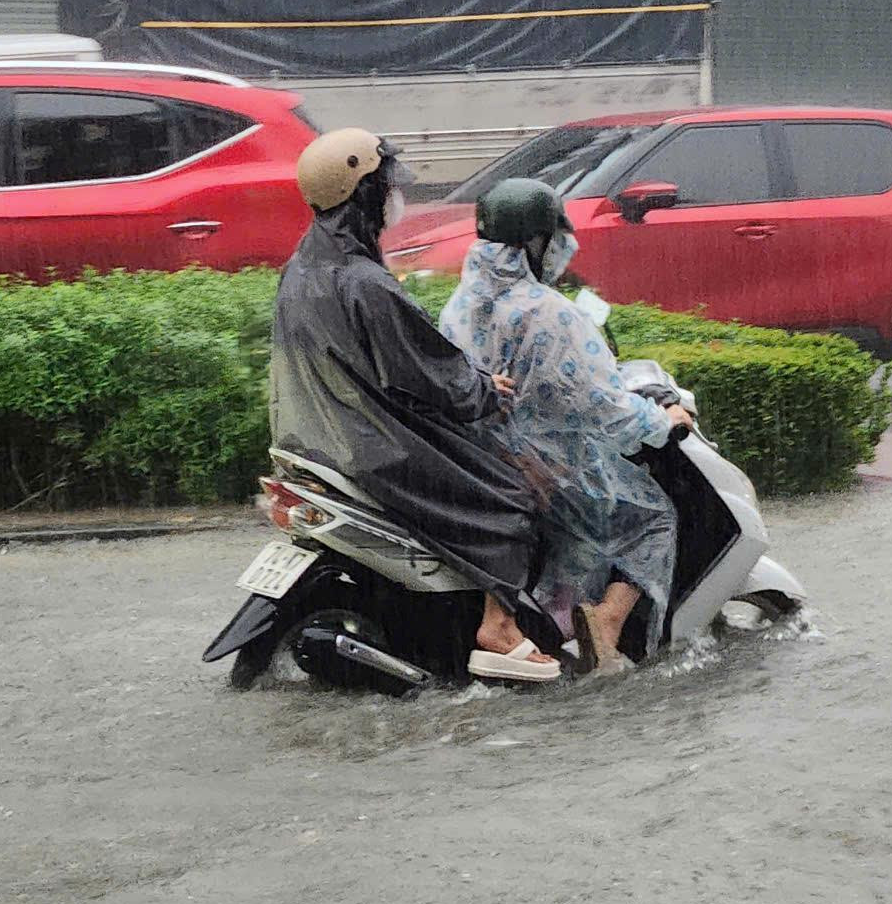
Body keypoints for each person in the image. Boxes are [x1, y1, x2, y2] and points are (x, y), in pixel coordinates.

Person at [268, 129, 559, 682]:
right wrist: (483, 390)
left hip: (324, 438)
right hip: (374, 445)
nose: (396, 195)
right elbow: (427, 370)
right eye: (386, 186)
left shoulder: (304, 268)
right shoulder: (363, 282)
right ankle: (498, 628)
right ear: (365, 195)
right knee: (515, 494)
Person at [439, 178, 692, 674]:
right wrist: (662, 420)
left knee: (585, 533)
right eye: (555, 239)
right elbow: (604, 406)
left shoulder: (462, 305)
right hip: (550, 466)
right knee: (652, 517)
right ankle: (607, 621)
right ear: (536, 242)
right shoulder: (552, 313)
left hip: (488, 459)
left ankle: (558, 631)